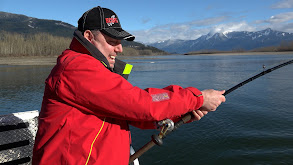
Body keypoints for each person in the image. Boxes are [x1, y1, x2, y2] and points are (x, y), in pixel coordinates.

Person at [32, 6, 226, 165]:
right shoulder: (76, 68)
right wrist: (198, 98)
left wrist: (182, 113)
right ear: (89, 37)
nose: (120, 48)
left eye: (120, 41)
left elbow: (133, 114)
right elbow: (143, 104)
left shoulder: (95, 69)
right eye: (112, 41)